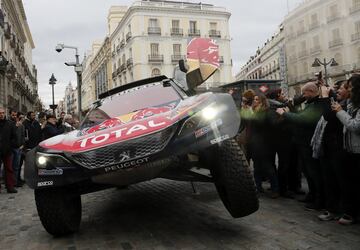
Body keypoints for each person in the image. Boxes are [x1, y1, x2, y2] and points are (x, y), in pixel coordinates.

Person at [277, 82, 327, 210]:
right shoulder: (311, 103)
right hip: (303, 143)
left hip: (308, 143)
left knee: (314, 173)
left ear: (311, 91)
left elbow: (303, 120)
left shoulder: (317, 104)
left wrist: (285, 114)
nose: (303, 96)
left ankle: (319, 200)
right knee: (308, 172)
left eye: (305, 93)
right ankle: (312, 195)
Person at [317, 81, 350, 221]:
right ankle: (333, 208)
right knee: (330, 180)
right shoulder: (340, 102)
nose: (338, 91)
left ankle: (341, 210)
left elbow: (328, 116)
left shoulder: (347, 105)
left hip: (338, 148)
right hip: (330, 147)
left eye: (341, 88)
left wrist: (325, 96)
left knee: (340, 181)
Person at [331, 74, 360, 225]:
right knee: (351, 184)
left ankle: (352, 213)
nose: (349, 90)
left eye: (350, 88)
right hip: (350, 149)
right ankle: (351, 212)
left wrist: (339, 111)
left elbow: (355, 126)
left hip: (357, 151)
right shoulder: (352, 103)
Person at [248, 94, 279, 198]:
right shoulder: (254, 112)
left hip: (266, 144)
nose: (255, 101)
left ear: (262, 101)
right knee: (257, 167)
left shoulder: (268, 112)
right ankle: (258, 187)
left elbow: (271, 125)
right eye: (254, 99)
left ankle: (275, 189)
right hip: (255, 144)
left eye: (257, 99)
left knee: (268, 167)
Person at [0, 106, 18, 193]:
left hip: (7, 150)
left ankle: (10, 187)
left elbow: (14, 137)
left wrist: (10, 146)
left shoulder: (10, 124)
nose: (1, 115)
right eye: (0, 113)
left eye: (3, 113)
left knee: (9, 169)